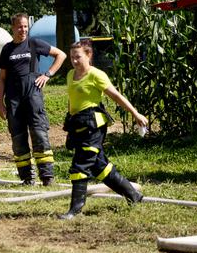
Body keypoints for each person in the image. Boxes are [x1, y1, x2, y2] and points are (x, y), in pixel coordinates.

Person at [60, 39, 148, 219]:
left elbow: (116, 96)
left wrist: (135, 114)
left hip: (93, 127)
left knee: (80, 165)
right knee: (100, 167)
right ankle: (134, 195)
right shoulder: (70, 75)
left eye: (78, 57)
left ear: (88, 55)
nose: (74, 61)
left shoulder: (96, 75)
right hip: (78, 125)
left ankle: (75, 209)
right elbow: (72, 100)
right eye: (72, 57)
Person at [0, 13, 66, 186]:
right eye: (20, 26)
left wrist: (47, 75)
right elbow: (2, 79)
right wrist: (0, 103)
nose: (23, 29)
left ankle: (47, 177)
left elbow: (61, 55)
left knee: (39, 134)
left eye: (26, 26)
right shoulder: (7, 49)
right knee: (18, 138)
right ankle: (27, 178)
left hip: (33, 96)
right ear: (13, 28)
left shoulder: (34, 43)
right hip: (13, 99)